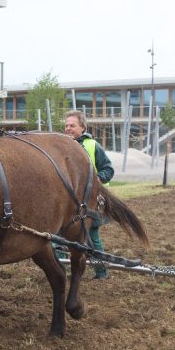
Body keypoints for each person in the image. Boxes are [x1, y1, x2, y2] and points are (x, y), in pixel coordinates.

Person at [64, 110, 115, 279]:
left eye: (72, 125)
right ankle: (60, 271)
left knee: (91, 236)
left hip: (92, 201)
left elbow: (108, 169)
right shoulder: (62, 146)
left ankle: (101, 272)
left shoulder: (92, 146)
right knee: (58, 237)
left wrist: (96, 181)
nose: (68, 128)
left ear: (83, 127)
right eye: (66, 125)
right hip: (69, 202)